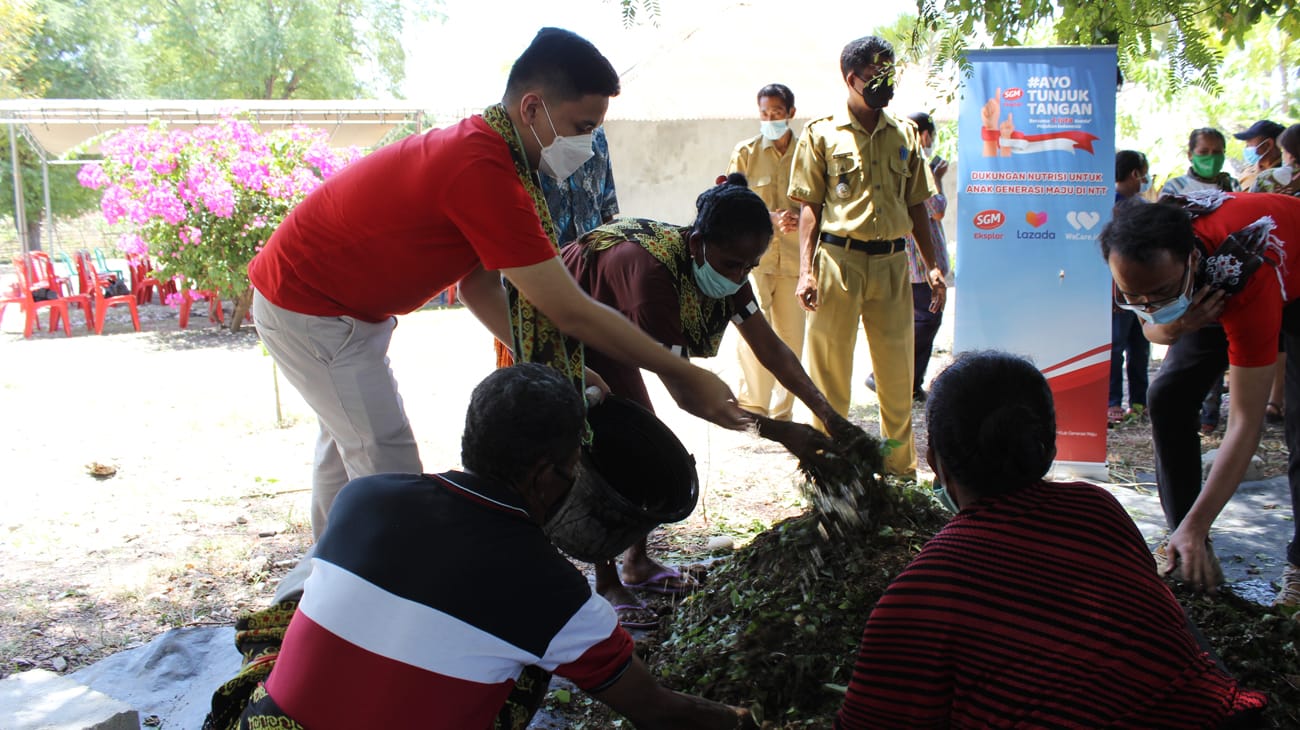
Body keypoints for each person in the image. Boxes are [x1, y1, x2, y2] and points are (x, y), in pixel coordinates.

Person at [246, 28, 748, 540]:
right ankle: (403, 595)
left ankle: (319, 590)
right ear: (532, 108)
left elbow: (477, 286)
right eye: (582, 126)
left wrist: (564, 369)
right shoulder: (481, 168)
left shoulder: (496, 158)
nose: (588, 144)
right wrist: (684, 374)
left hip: (338, 310)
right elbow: (568, 308)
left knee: (348, 460)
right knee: (386, 460)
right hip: (312, 307)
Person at [218, 364, 757, 730]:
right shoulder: (553, 594)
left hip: (267, 723)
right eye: (574, 466)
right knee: (535, 660)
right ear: (548, 475)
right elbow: (655, 711)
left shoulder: (365, 496)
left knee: (310, 589)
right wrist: (742, 719)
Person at [834, 351, 1267, 729]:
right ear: (1049, 448)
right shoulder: (1100, 510)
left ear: (935, 464)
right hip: (1222, 717)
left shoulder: (922, 592)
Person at [563, 174, 857, 627]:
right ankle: (606, 580)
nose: (741, 275)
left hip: (616, 324)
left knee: (646, 440)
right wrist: (779, 432)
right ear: (698, 244)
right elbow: (689, 396)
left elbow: (770, 346)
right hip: (567, 323)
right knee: (613, 445)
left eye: (750, 265)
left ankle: (637, 563)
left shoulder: (726, 264)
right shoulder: (652, 279)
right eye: (734, 264)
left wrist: (827, 414)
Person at [1100, 191, 1300, 603]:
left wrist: (1202, 520)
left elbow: (1246, 421)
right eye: (1133, 294)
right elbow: (1151, 326)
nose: (1147, 304)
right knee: (1168, 396)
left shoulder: (1247, 273)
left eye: (1159, 292)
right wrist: (1173, 322)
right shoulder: (1135, 255)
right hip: (1201, 299)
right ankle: (1187, 546)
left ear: (1191, 259)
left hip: (1287, 278)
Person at [788, 35, 946, 477]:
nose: (885, 83)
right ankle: (829, 471)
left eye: (890, 73)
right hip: (838, 262)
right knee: (828, 374)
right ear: (851, 78)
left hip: (893, 264)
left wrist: (931, 264)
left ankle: (899, 473)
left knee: (897, 377)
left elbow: (917, 205)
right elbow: (809, 208)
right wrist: (806, 271)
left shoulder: (905, 134)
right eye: (876, 75)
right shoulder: (821, 133)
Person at [727, 83, 805, 421]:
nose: (770, 119)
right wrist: (768, 218)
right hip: (753, 260)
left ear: (790, 113)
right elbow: (730, 201)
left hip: (796, 262)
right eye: (764, 113)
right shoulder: (745, 153)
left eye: (776, 113)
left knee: (791, 336)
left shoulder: (808, 153)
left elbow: (824, 203)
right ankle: (753, 407)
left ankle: (782, 411)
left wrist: (800, 218)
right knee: (752, 330)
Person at [865, 111, 950, 403]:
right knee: (924, 321)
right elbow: (936, 208)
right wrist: (938, 178)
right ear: (925, 135)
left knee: (917, 322)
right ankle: (890, 378)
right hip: (918, 264)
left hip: (910, 261)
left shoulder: (898, 160)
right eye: (931, 136)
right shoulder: (920, 165)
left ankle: (904, 382)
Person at [1108, 150, 1152, 425]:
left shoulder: (1142, 207)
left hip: (1142, 289)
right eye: (1144, 173)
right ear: (1135, 173)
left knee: (1141, 344)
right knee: (1116, 346)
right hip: (1121, 289)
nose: (1145, 179)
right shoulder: (1110, 205)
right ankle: (1112, 402)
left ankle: (1139, 402)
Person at [541, 126, 618, 245]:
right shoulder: (537, 138)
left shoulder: (598, 136)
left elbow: (606, 209)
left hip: (591, 254)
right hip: (549, 256)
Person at [1158, 127, 1240, 198]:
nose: (1211, 157)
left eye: (1217, 152)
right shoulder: (1175, 186)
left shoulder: (1232, 185)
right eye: (1203, 152)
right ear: (1190, 155)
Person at [1234, 119, 1285, 192]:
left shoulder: (1285, 176)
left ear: (1268, 144)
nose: (1246, 149)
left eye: (1249, 145)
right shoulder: (1249, 170)